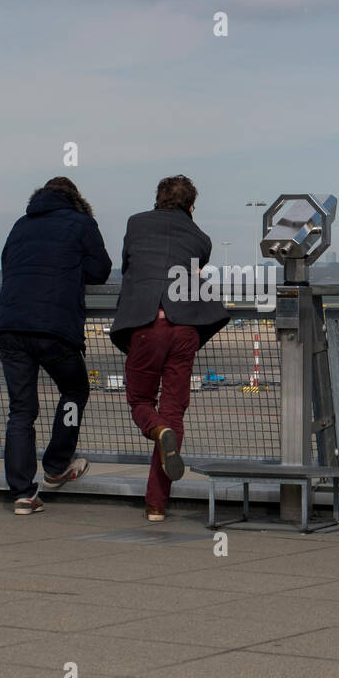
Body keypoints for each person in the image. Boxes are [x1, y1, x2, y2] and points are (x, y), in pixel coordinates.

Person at [109, 176, 228, 521]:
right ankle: (156, 505)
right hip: (185, 325)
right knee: (173, 411)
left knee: (142, 402)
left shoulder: (136, 223)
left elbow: (129, 266)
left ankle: (157, 431)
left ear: (157, 199)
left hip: (146, 323)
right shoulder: (200, 238)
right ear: (191, 207)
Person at [0, 177, 111, 515]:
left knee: (21, 411)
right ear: (76, 198)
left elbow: (9, 266)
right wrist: (71, 270)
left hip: (10, 327)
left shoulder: (20, 224)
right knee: (75, 390)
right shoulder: (81, 223)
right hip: (54, 329)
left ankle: (22, 494)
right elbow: (101, 271)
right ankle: (58, 464)